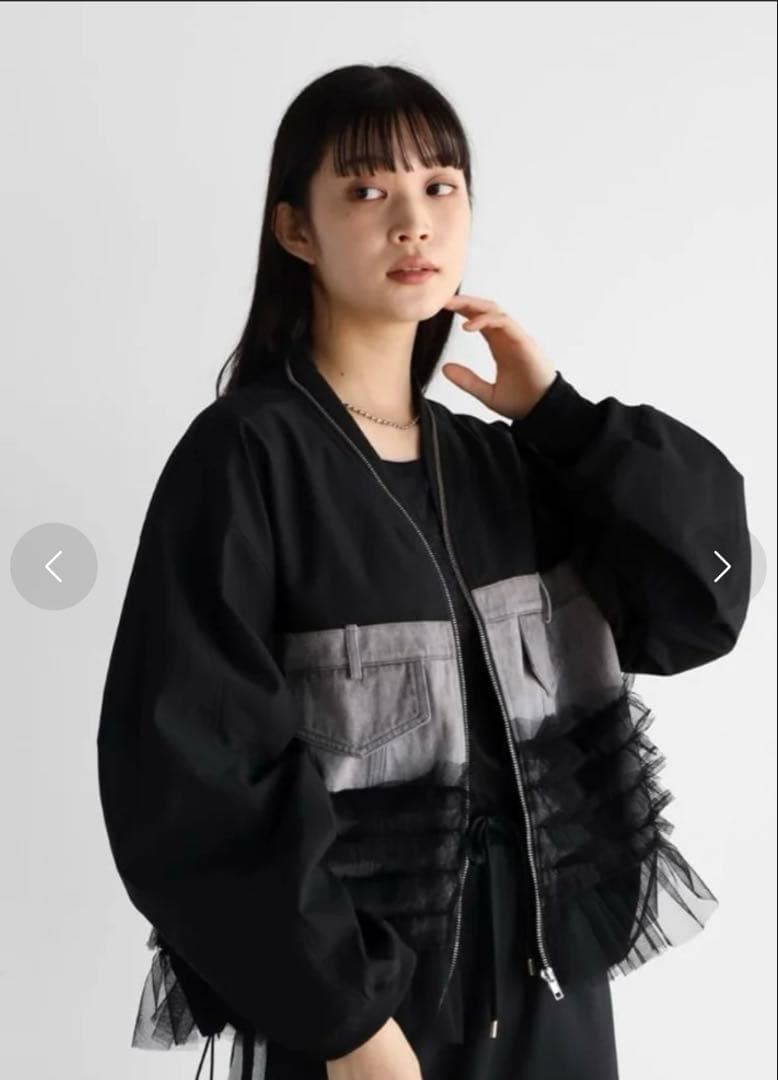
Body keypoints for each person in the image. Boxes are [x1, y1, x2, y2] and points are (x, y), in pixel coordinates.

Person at [96, 64, 752, 1080]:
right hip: (369, 1019)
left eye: (440, 185)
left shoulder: (507, 464)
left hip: (553, 1001)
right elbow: (187, 774)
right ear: (295, 230)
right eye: (366, 190)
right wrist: (349, 1024)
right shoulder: (248, 459)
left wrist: (564, 421)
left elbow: (702, 601)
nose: (414, 222)